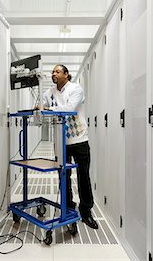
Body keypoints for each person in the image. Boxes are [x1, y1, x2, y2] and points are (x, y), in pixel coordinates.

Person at [42, 64, 98, 229]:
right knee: (63, 176)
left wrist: (48, 108)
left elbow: (69, 109)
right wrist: (40, 107)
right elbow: (40, 106)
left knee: (83, 176)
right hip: (61, 142)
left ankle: (86, 212)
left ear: (66, 75)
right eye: (52, 72)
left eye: (57, 71)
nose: (54, 74)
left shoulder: (75, 89)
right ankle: (68, 208)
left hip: (79, 139)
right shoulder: (49, 92)